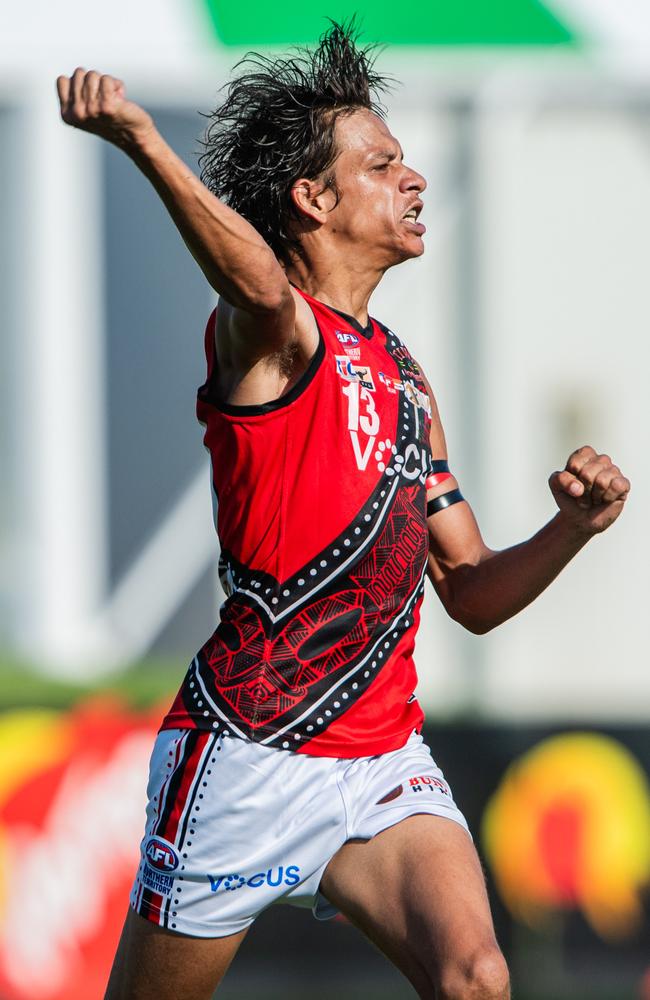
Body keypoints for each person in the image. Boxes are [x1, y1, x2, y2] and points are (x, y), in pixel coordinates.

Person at [57, 22, 630, 1000]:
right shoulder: (268, 336)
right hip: (245, 753)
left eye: (405, 162)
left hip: (378, 756)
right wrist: (145, 143)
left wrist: (570, 529)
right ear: (311, 199)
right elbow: (258, 286)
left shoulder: (406, 380)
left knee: (477, 976)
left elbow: (470, 591)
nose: (410, 180)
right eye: (381, 164)